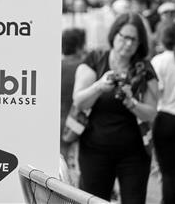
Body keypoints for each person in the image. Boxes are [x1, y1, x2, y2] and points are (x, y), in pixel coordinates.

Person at [72, 12, 158, 203]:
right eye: (124, 37)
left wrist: (132, 103)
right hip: (94, 151)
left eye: (134, 40)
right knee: (92, 200)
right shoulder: (96, 59)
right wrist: (99, 86)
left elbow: (151, 112)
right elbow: (79, 101)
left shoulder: (144, 68)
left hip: (134, 154)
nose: (128, 44)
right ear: (114, 34)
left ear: (140, 43)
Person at [150, 23, 175, 204]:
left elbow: (157, 91)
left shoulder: (158, 61)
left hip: (164, 118)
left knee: (167, 172)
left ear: (161, 39)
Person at [60, 27, 85, 184]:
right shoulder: (84, 67)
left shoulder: (56, 66)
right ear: (79, 46)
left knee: (60, 162)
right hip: (80, 120)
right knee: (82, 163)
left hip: (60, 120)